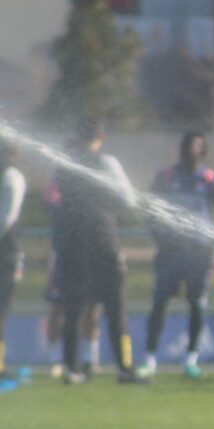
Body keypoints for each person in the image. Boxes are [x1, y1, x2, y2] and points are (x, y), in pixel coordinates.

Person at [55, 117, 145, 384]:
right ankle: (124, 368)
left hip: (72, 242)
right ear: (101, 137)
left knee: (73, 306)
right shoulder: (107, 163)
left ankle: (71, 369)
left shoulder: (64, 165)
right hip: (103, 240)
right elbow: (129, 199)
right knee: (116, 306)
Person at [137, 132, 214, 379]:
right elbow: (150, 209)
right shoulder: (167, 177)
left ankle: (191, 360)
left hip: (199, 254)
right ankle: (149, 359)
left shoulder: (210, 180)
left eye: (195, 147)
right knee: (159, 303)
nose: (190, 151)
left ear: (202, 151)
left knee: (197, 305)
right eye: (186, 147)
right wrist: (160, 239)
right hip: (170, 252)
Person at [43, 179, 103, 378]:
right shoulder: (57, 186)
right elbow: (51, 201)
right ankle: (55, 360)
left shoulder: (92, 187)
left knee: (91, 308)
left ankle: (90, 359)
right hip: (62, 257)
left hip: (89, 256)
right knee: (57, 307)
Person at [0, 137, 26, 386]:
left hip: (6, 254)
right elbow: (6, 218)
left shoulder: (11, 177)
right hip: (6, 254)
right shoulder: (11, 176)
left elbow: (6, 216)